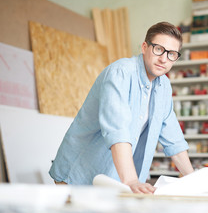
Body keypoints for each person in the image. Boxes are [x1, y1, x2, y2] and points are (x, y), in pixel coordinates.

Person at [49, 21, 194, 194]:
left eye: (172, 54)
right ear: (144, 47)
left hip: (113, 178)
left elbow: (174, 139)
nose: (164, 58)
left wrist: (193, 180)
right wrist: (131, 180)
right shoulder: (121, 73)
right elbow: (117, 129)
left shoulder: (163, 86)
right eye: (158, 49)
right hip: (79, 173)